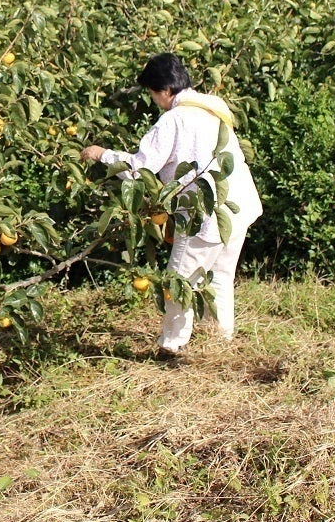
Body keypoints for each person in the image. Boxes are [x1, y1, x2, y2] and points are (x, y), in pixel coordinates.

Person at [81, 53, 262, 361]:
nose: (154, 101)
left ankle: (171, 346)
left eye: (153, 94)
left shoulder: (174, 120)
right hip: (236, 207)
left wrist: (102, 154)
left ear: (164, 90)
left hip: (204, 214)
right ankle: (220, 340)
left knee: (178, 280)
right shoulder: (212, 108)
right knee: (219, 276)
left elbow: (140, 169)